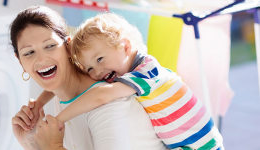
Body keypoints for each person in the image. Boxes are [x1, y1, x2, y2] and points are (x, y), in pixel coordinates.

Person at [33, 13, 224, 150]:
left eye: (100, 59)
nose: (97, 72)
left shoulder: (147, 74)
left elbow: (100, 95)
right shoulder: (139, 68)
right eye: (90, 69)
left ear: (124, 46)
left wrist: (57, 121)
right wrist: (39, 104)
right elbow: (68, 75)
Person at [10, 5, 167, 150]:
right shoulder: (63, 97)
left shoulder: (107, 104)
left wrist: (54, 146)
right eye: (29, 53)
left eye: (50, 46)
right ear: (20, 61)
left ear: (68, 48)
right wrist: (29, 141)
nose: (41, 59)